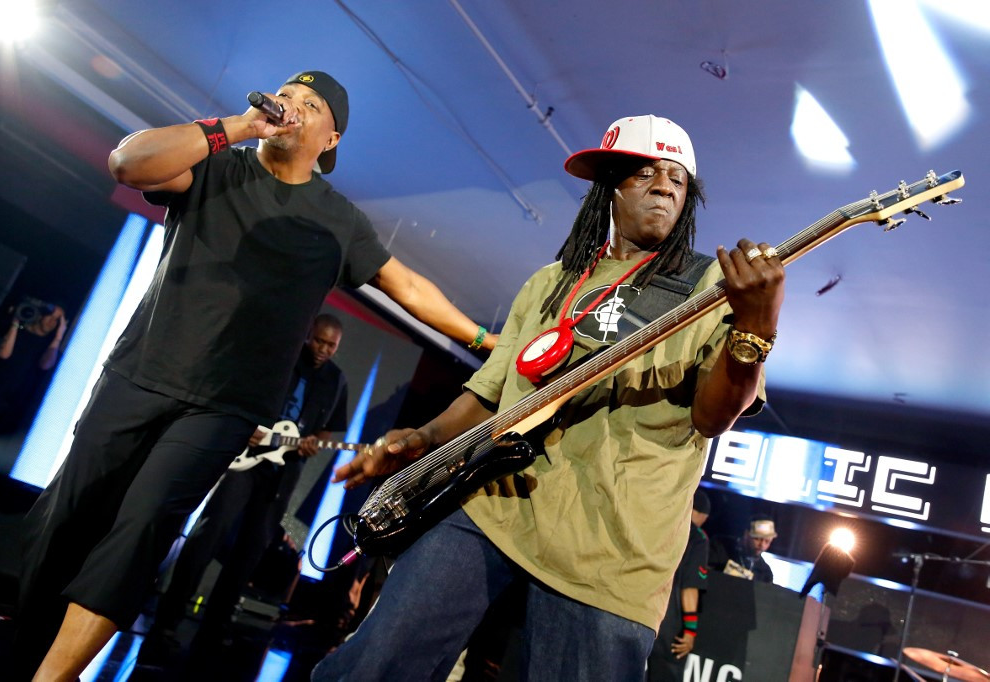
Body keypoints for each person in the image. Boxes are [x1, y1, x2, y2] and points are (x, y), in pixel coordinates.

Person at [11, 69, 497, 682]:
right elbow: (127, 163)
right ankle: (22, 651)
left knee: (141, 530)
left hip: (226, 407)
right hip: (137, 376)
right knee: (62, 521)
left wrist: (486, 341)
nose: (292, 105)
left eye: (311, 104)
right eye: (286, 94)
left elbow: (408, 287)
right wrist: (236, 128)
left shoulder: (338, 219)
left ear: (332, 140)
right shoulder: (216, 165)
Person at [312, 114, 786, 680]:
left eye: (677, 178)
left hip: (613, 552)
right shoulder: (550, 281)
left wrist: (755, 331)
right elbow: (491, 393)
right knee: (371, 667)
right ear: (609, 185)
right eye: (645, 173)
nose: (664, 186)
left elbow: (712, 417)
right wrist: (424, 439)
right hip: (494, 506)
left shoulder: (713, 289)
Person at [141, 314, 350, 656]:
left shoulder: (336, 380)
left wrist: (314, 442)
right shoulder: (282, 358)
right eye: (319, 341)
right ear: (308, 335)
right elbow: (241, 395)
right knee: (207, 536)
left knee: (251, 551)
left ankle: (215, 628)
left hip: (283, 470)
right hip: (245, 460)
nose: (324, 350)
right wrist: (247, 425)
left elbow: (327, 428)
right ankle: (166, 622)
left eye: (332, 345)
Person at [0, 299, 67, 437]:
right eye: (50, 315)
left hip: (12, 406)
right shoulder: (18, 332)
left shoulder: (49, 347)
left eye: (57, 320)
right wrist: (16, 321)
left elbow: (45, 365)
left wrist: (58, 337)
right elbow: (4, 354)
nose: (52, 321)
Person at [647, 488, 711, 681]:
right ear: (701, 514)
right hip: (667, 627)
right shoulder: (698, 538)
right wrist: (690, 630)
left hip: (639, 612)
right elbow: (690, 587)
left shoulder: (658, 521)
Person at [710, 514, 777, 583]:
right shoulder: (720, 545)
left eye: (767, 541)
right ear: (746, 534)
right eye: (757, 539)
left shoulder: (765, 573)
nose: (762, 545)